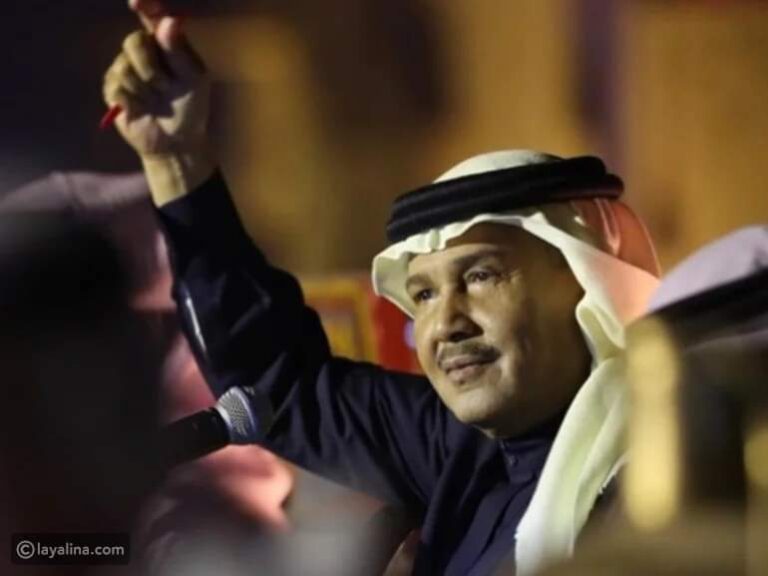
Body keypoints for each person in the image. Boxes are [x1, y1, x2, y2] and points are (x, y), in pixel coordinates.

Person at [102, 2, 661, 574]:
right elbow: (276, 385)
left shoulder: (667, 478)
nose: (446, 324)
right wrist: (177, 158)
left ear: (587, 279)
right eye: (423, 295)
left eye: (480, 276)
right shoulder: (458, 452)